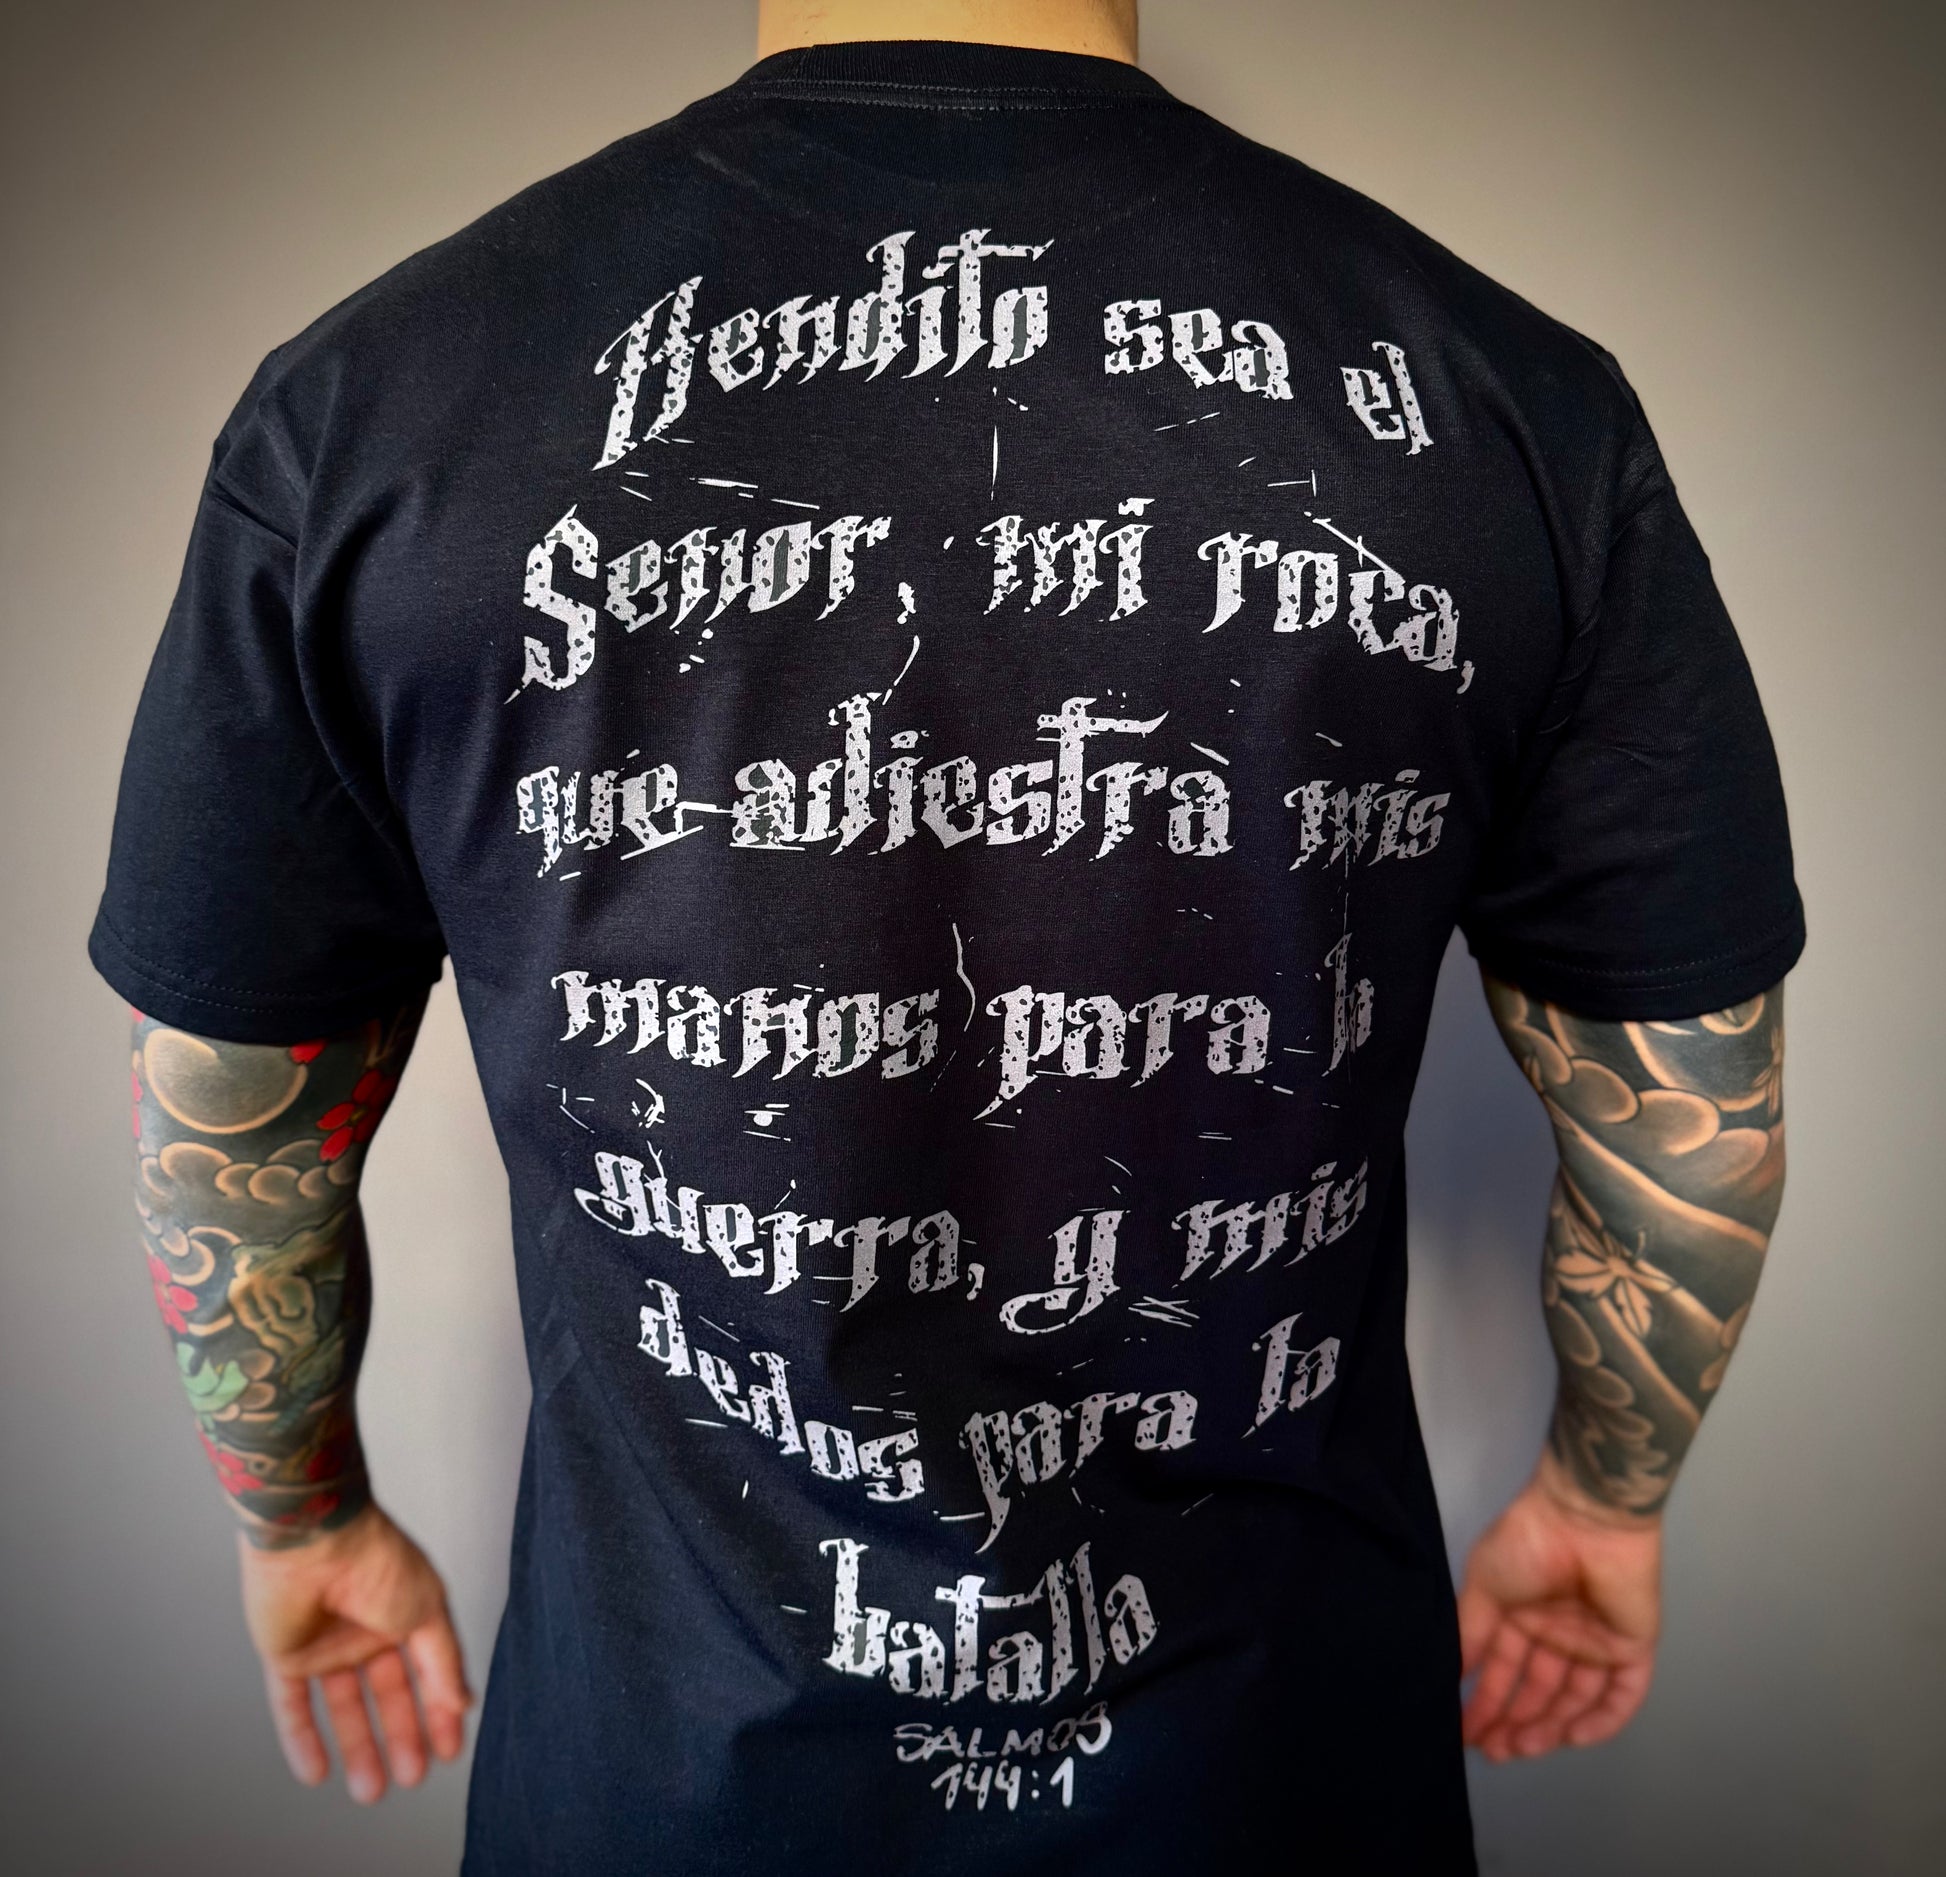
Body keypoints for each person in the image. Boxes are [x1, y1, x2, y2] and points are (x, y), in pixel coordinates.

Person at [91, 1, 1804, 1869]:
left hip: (664, 1786)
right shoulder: (1507, 408)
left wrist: (302, 1518)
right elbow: (1685, 1107)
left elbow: (231, 1112)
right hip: (1279, 1780)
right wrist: (1604, 1498)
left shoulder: (376, 405)